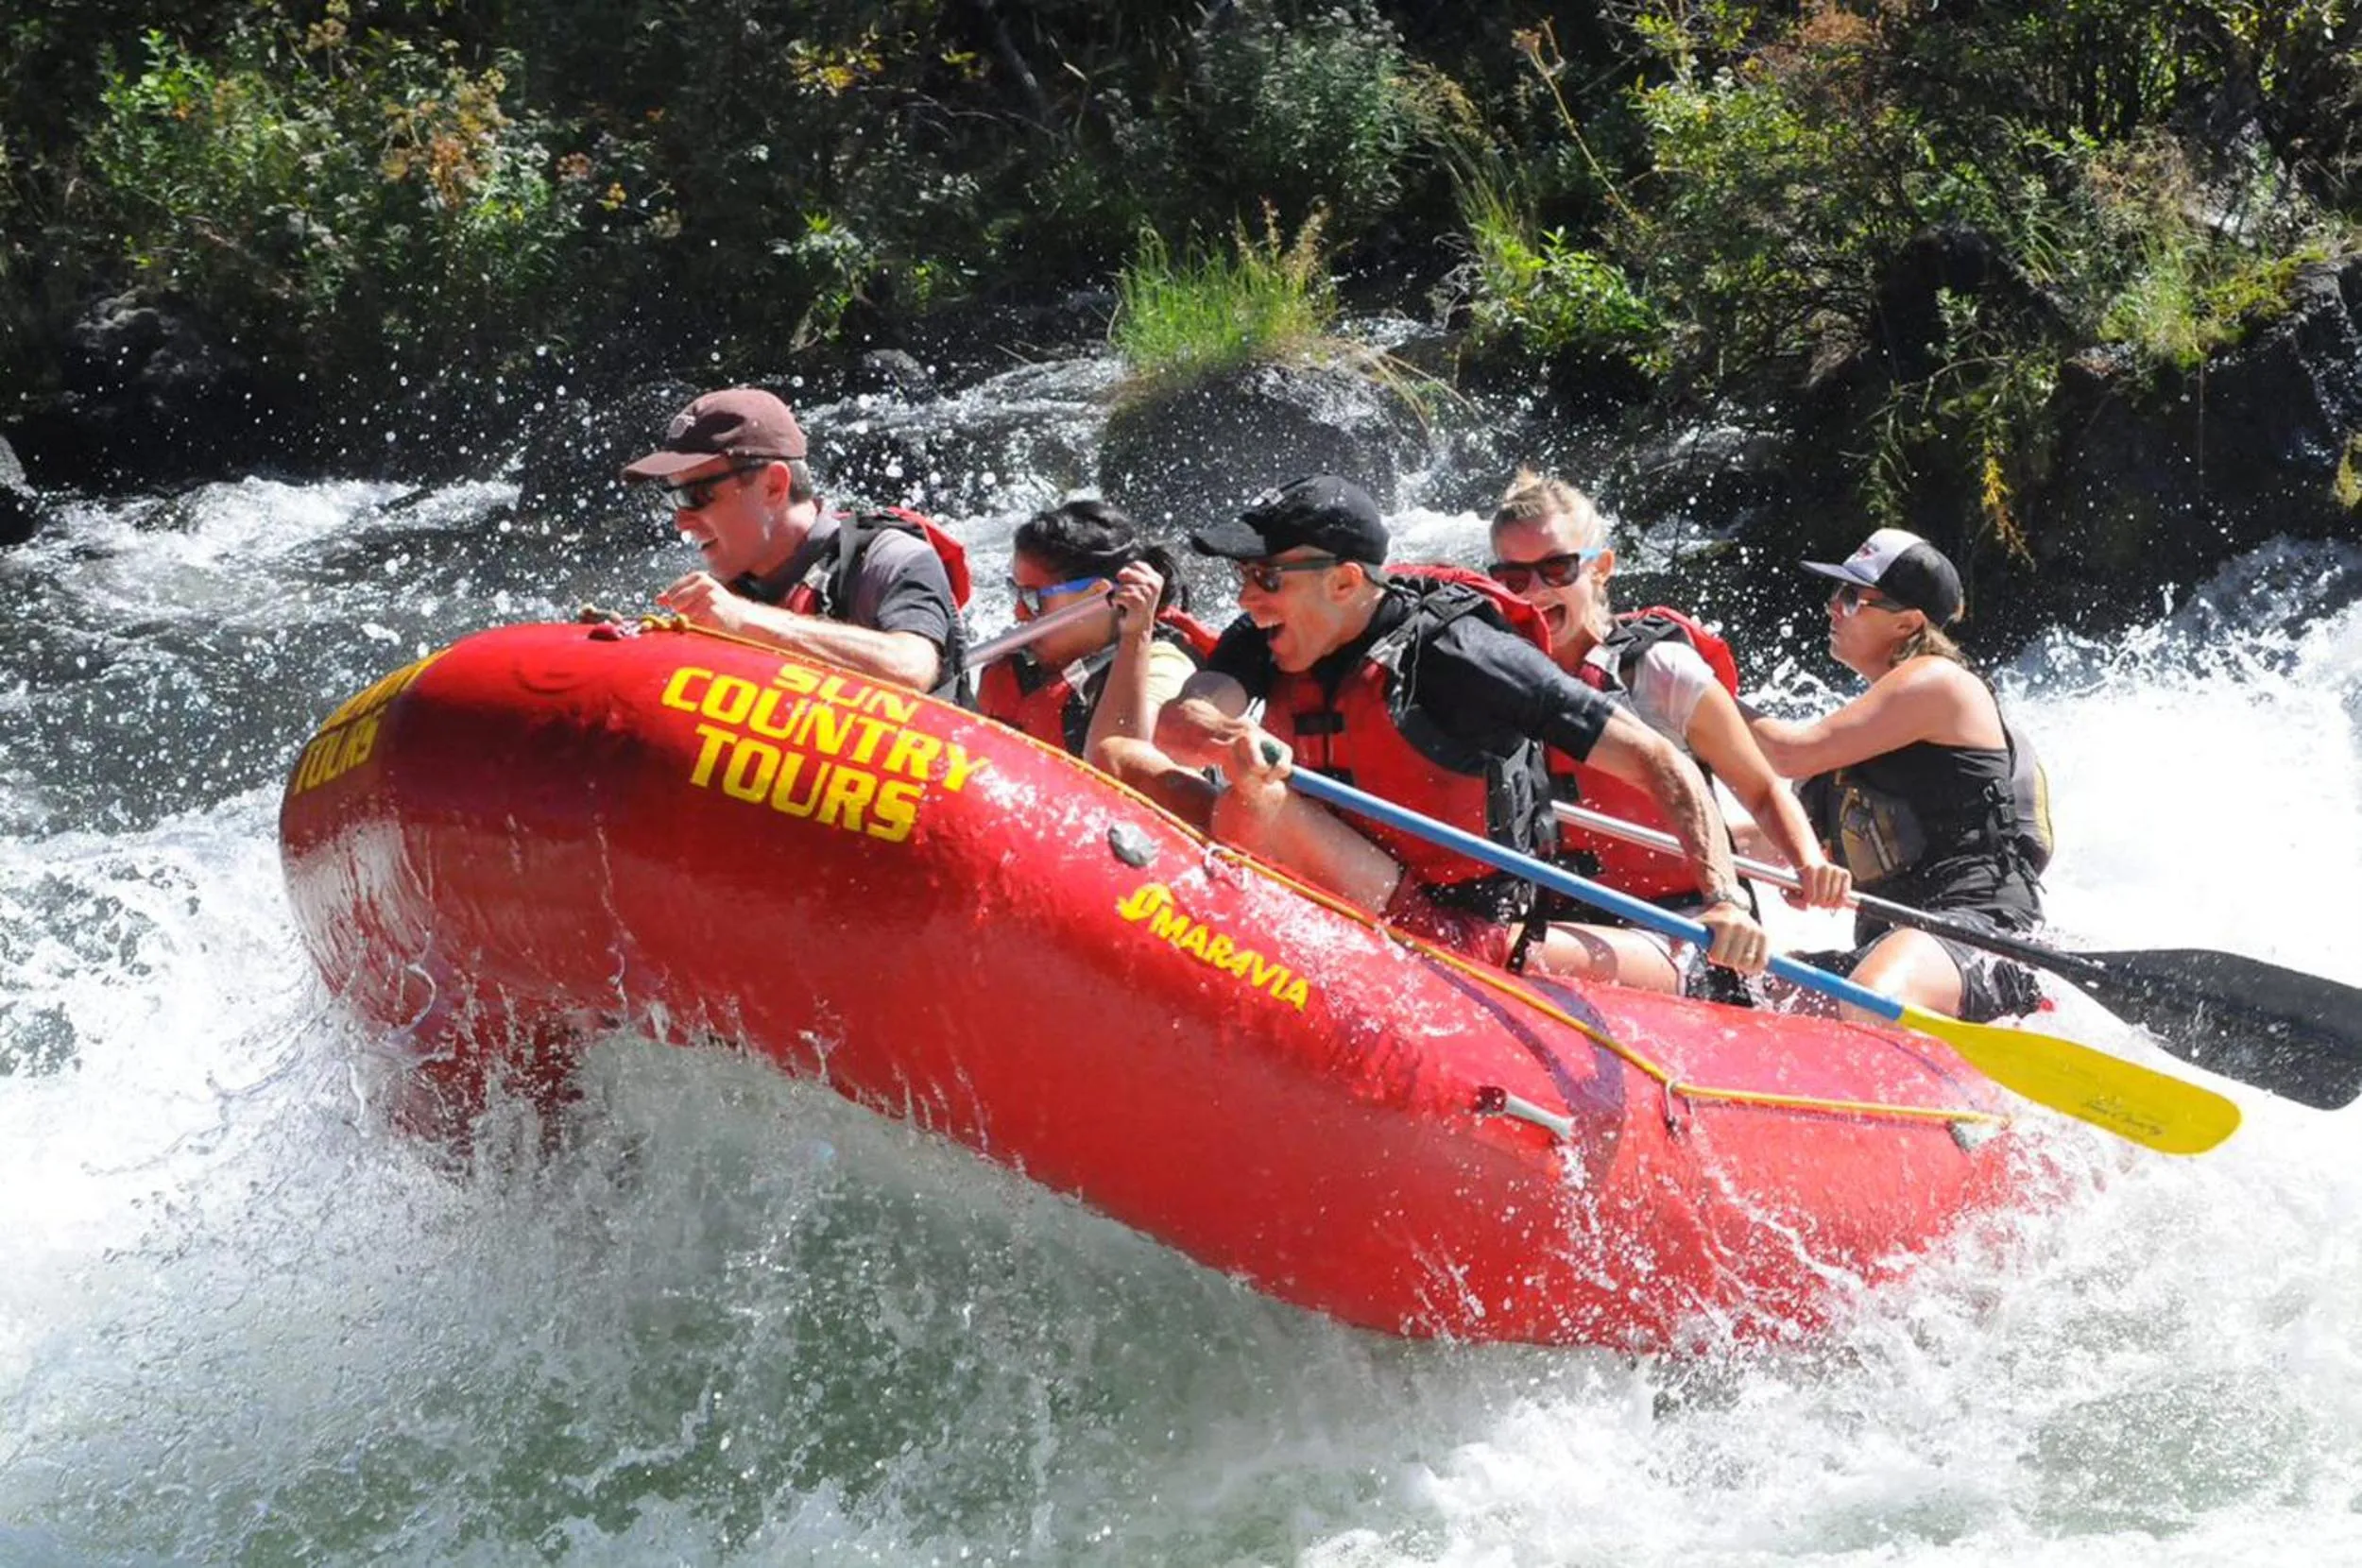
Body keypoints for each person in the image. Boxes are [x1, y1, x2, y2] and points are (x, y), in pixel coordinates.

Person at [1137, 474, 1769, 976]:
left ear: (1345, 582)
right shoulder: (1264, 632)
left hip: (1457, 926)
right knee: (1126, 761)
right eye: (1244, 576)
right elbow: (1181, 722)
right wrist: (1230, 736)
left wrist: (1725, 899)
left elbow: (1660, 759)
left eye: (1268, 577)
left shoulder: (1462, 655)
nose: (1246, 597)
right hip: (1346, 876)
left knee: (1262, 801)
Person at [1488, 471, 1851, 997]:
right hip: (1561, 917)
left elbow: (1762, 789)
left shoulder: (1661, 672)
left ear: (1600, 568)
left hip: (1685, 931)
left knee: (1503, 946)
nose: (1537, 591)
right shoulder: (1492, 674)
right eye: (1514, 578)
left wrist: (1809, 863)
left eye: (1556, 568)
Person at [1746, 528, 2052, 1022]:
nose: (1833, 607)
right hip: (1893, 947)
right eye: (1836, 592)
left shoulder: (1940, 683)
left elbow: (1789, 754)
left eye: (1851, 597)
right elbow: (1770, 835)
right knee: (1748, 986)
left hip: (1983, 934)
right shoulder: (1861, 738)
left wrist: (1696, 692)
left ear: (1907, 623)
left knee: (1871, 996)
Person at [621, 386, 968, 700]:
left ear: (773, 485)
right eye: (674, 499)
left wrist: (744, 621)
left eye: (695, 495)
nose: (680, 522)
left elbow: (911, 669)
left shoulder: (888, 558)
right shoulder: (728, 593)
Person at [977, 500, 1215, 763]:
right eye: (1016, 593)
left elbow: (1128, 765)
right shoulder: (1021, 662)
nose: (1019, 613)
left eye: (1033, 599)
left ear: (1097, 595)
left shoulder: (1166, 668)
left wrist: (1135, 636)